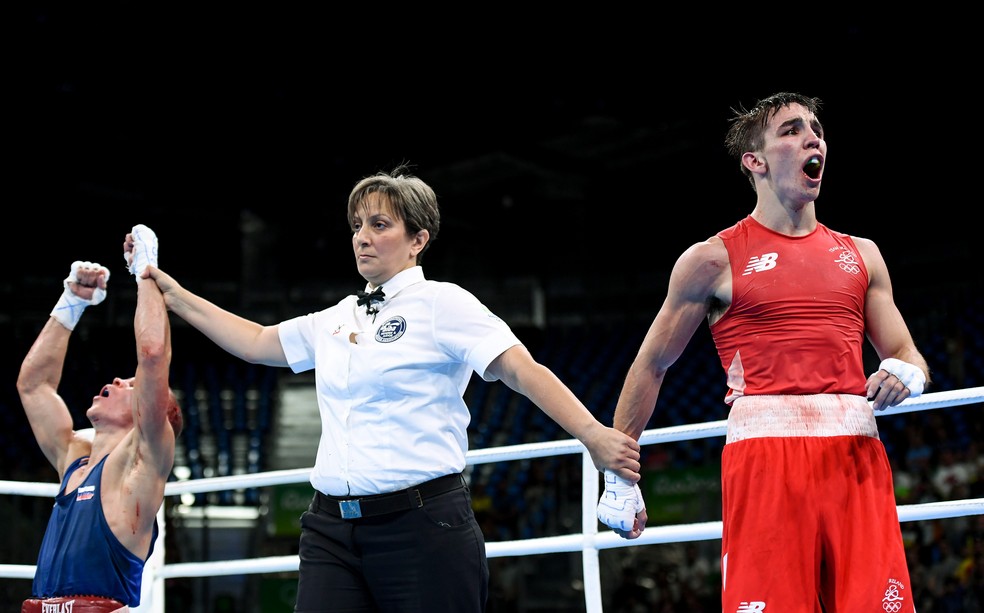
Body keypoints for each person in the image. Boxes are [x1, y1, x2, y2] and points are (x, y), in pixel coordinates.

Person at [143, 165, 642, 613]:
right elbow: (256, 341)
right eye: (357, 226)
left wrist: (593, 435)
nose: (362, 237)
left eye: (379, 225)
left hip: (422, 529)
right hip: (330, 530)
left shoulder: (443, 303)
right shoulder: (339, 316)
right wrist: (174, 295)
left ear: (418, 240)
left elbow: (520, 369)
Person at [595, 92, 931, 612]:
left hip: (857, 455)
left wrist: (910, 372)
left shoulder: (861, 254)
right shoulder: (712, 260)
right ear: (755, 161)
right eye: (792, 130)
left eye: (816, 128)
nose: (812, 137)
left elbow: (905, 351)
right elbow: (653, 364)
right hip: (766, 457)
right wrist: (620, 475)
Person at [17, 224, 182, 613]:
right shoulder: (73, 457)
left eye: (129, 383)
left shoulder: (141, 465)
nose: (115, 380)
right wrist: (71, 303)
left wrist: (146, 271)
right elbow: (33, 386)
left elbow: (153, 353)